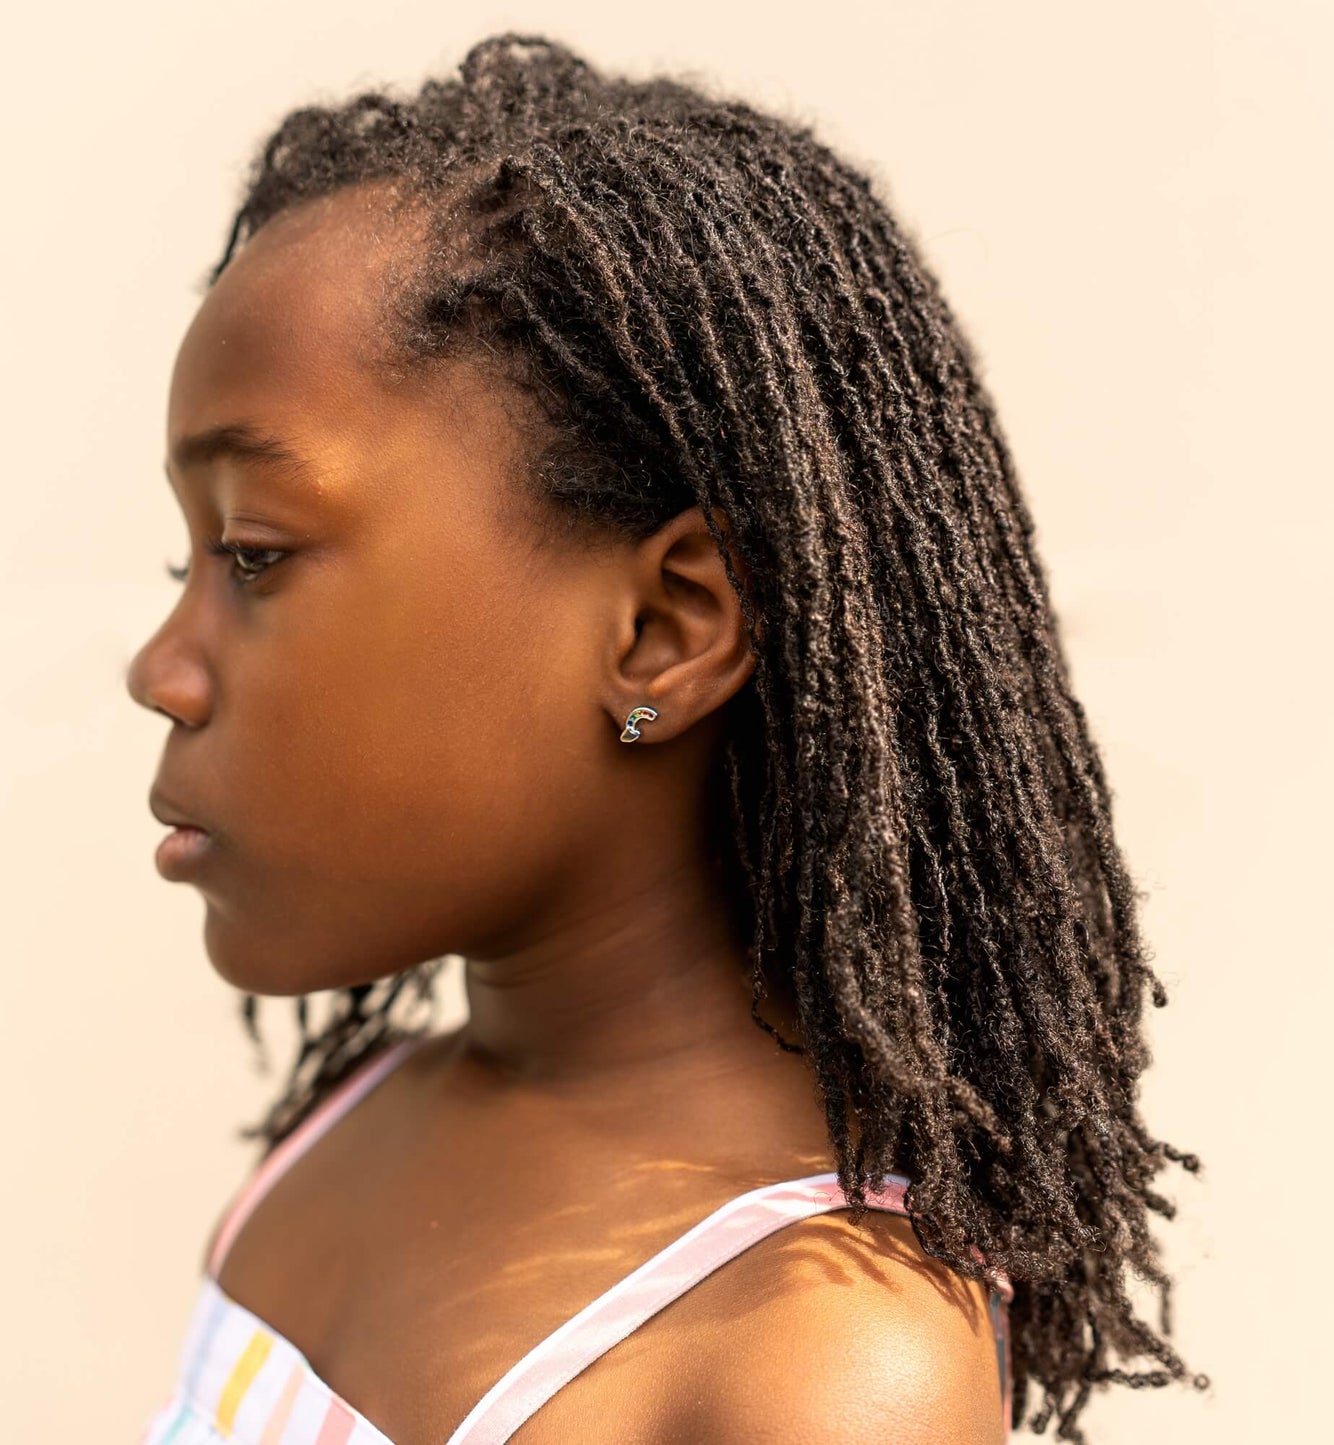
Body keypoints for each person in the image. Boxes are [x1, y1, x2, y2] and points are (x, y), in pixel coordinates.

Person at [127, 33, 1201, 1445]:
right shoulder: (353, 1130)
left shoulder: (810, 1362)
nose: (164, 670)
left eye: (256, 554)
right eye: (184, 566)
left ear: (663, 627)